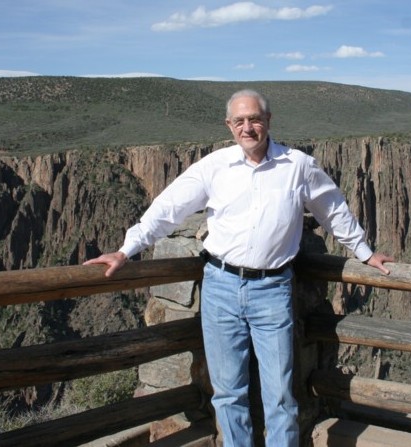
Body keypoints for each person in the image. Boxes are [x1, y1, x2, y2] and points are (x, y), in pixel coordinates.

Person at [84, 89, 394, 447]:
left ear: (268, 121)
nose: (248, 127)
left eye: (255, 119)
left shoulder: (298, 166)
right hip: (220, 287)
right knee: (228, 393)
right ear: (229, 125)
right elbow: (167, 209)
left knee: (280, 394)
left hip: (273, 290)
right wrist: (126, 250)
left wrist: (365, 252)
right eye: (240, 121)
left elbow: (333, 210)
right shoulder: (214, 167)